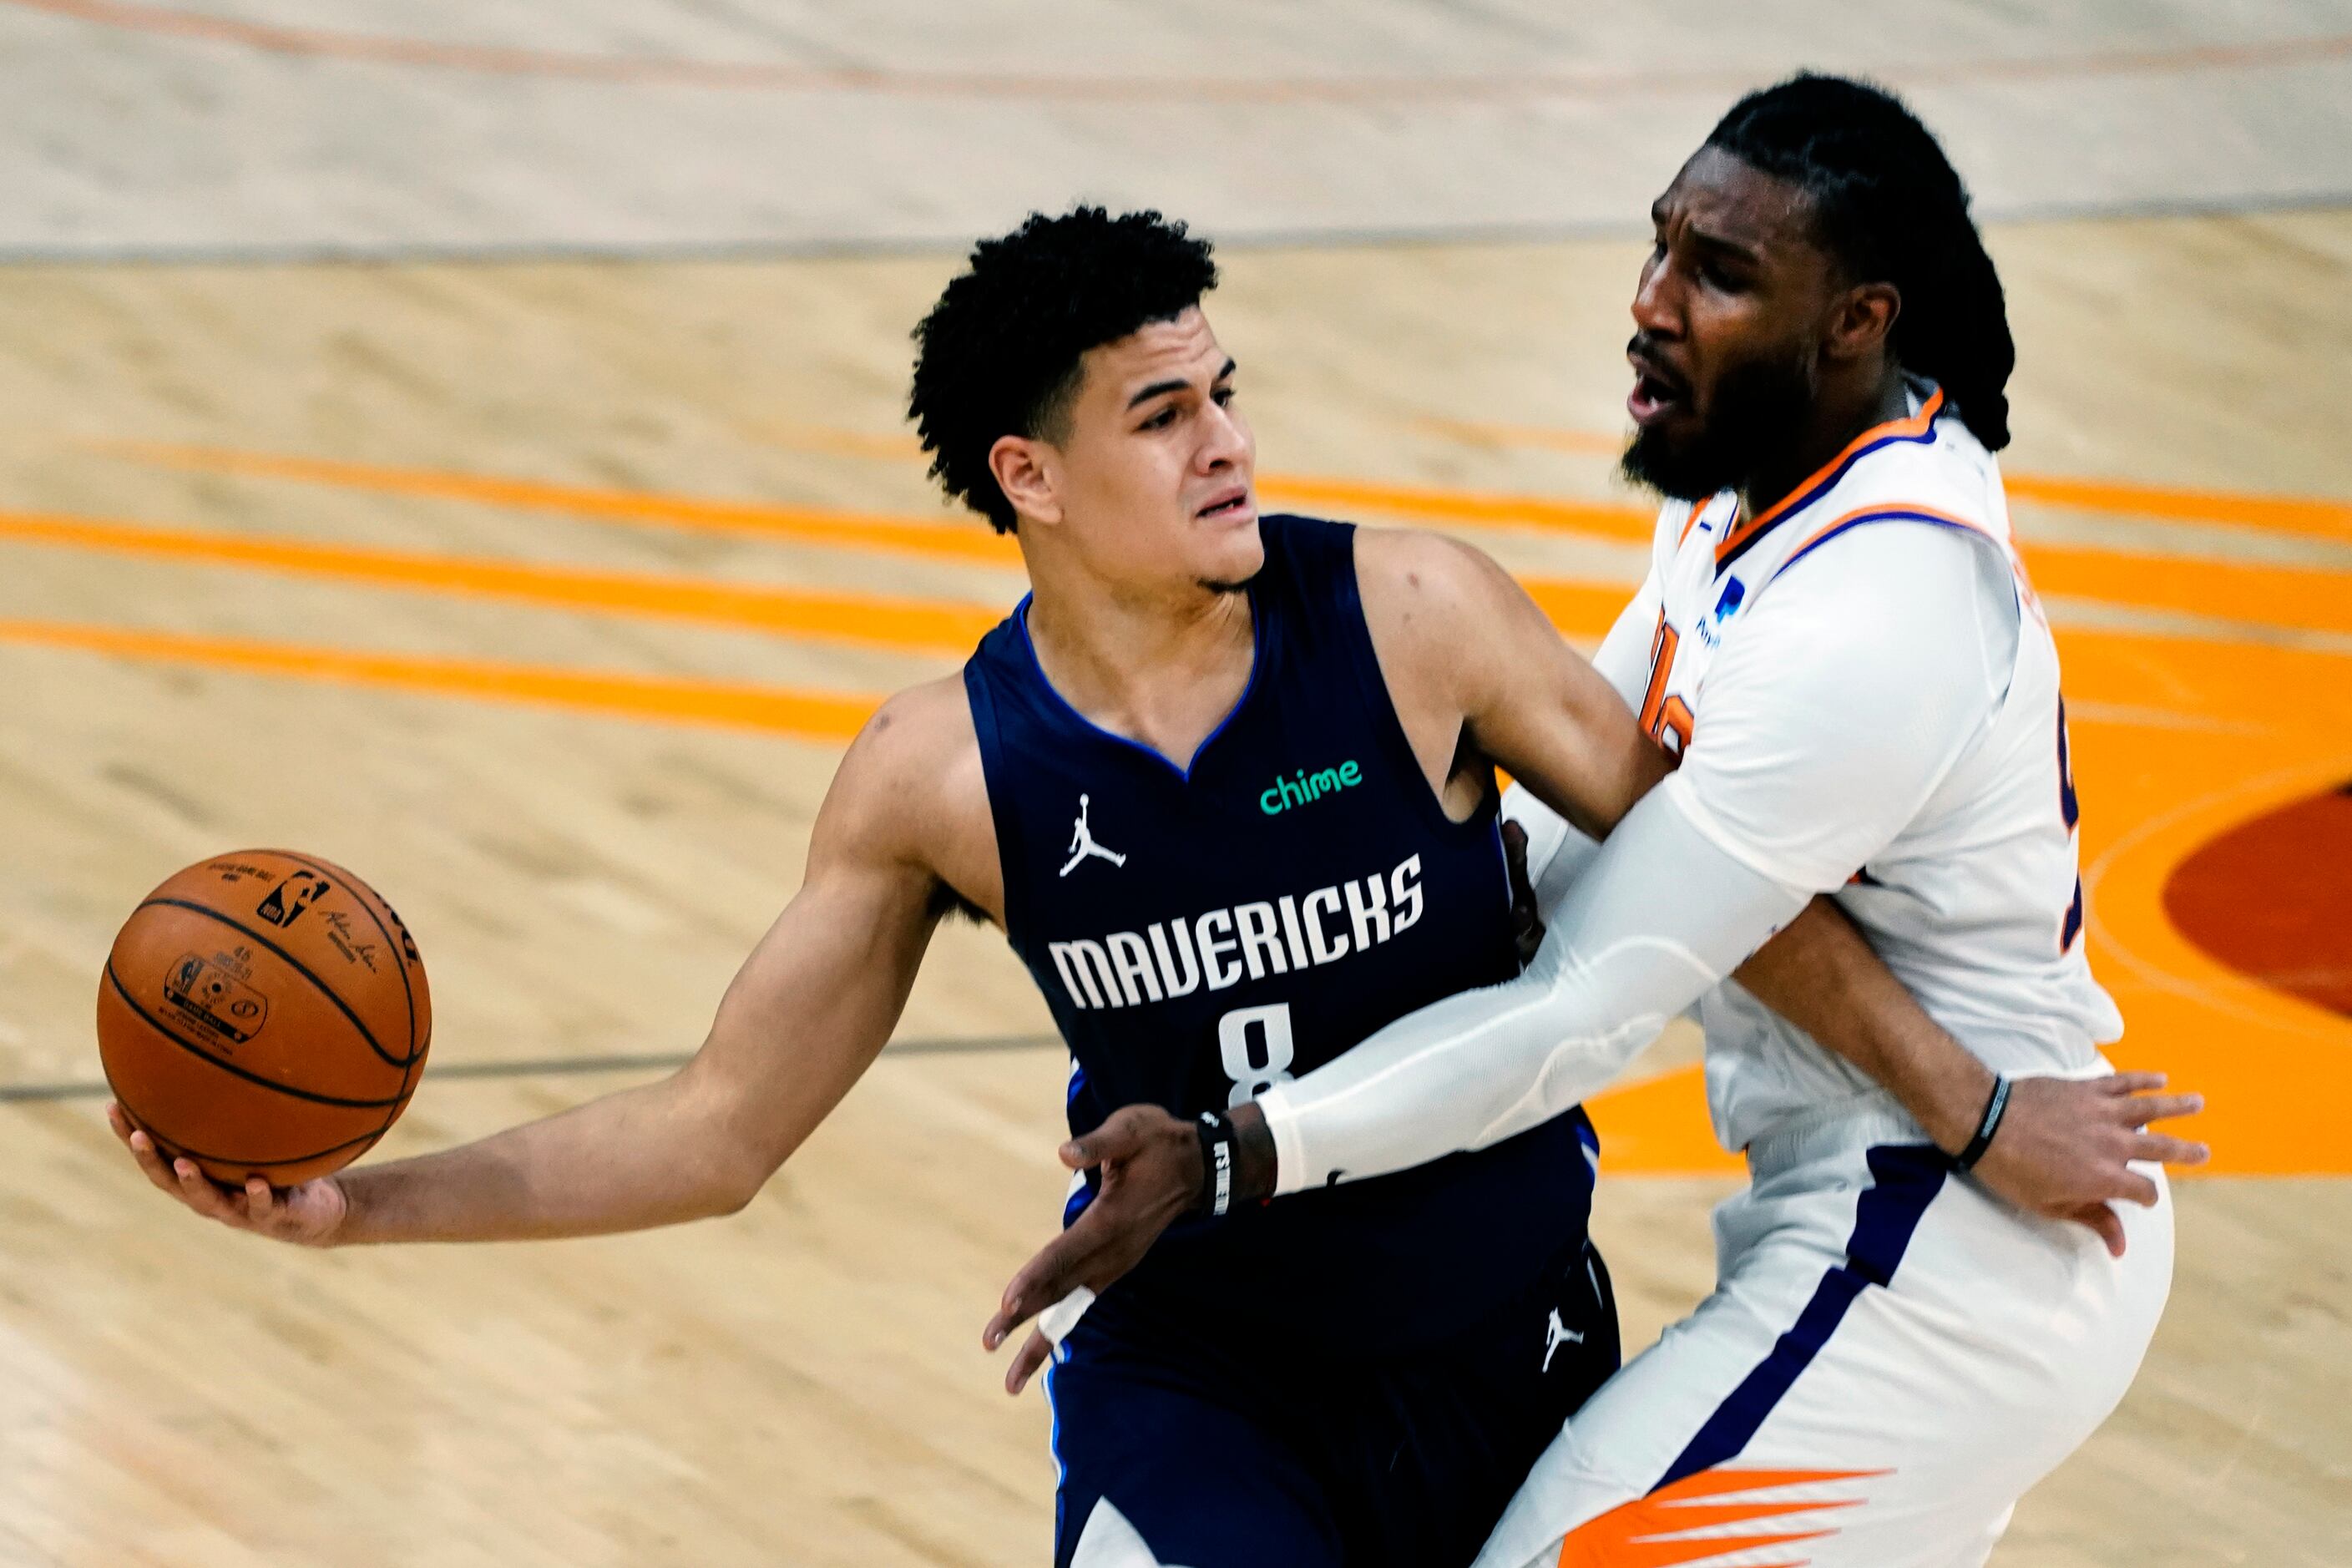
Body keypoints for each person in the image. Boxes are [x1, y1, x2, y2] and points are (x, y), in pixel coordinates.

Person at [117, 205, 2179, 1568]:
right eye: (1161, 412)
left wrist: (1971, 1106)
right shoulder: (940, 778)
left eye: (1226, 391)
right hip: (1197, 1389)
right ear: (1027, 478)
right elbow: (718, 1129)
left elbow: (1726, 890)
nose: (1226, 443)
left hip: (1500, 1345)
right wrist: (353, 1209)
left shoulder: (1413, 615)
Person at [983, 81, 2208, 1568]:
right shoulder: (1745, 504)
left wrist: (1232, 1157)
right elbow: (1555, 856)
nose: (1651, 302)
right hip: (1876, 1197)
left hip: (1948, 1249)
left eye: (1720, 274)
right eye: (1661, 246)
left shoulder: (1879, 612)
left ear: (1855, 319)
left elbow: (1574, 1006)